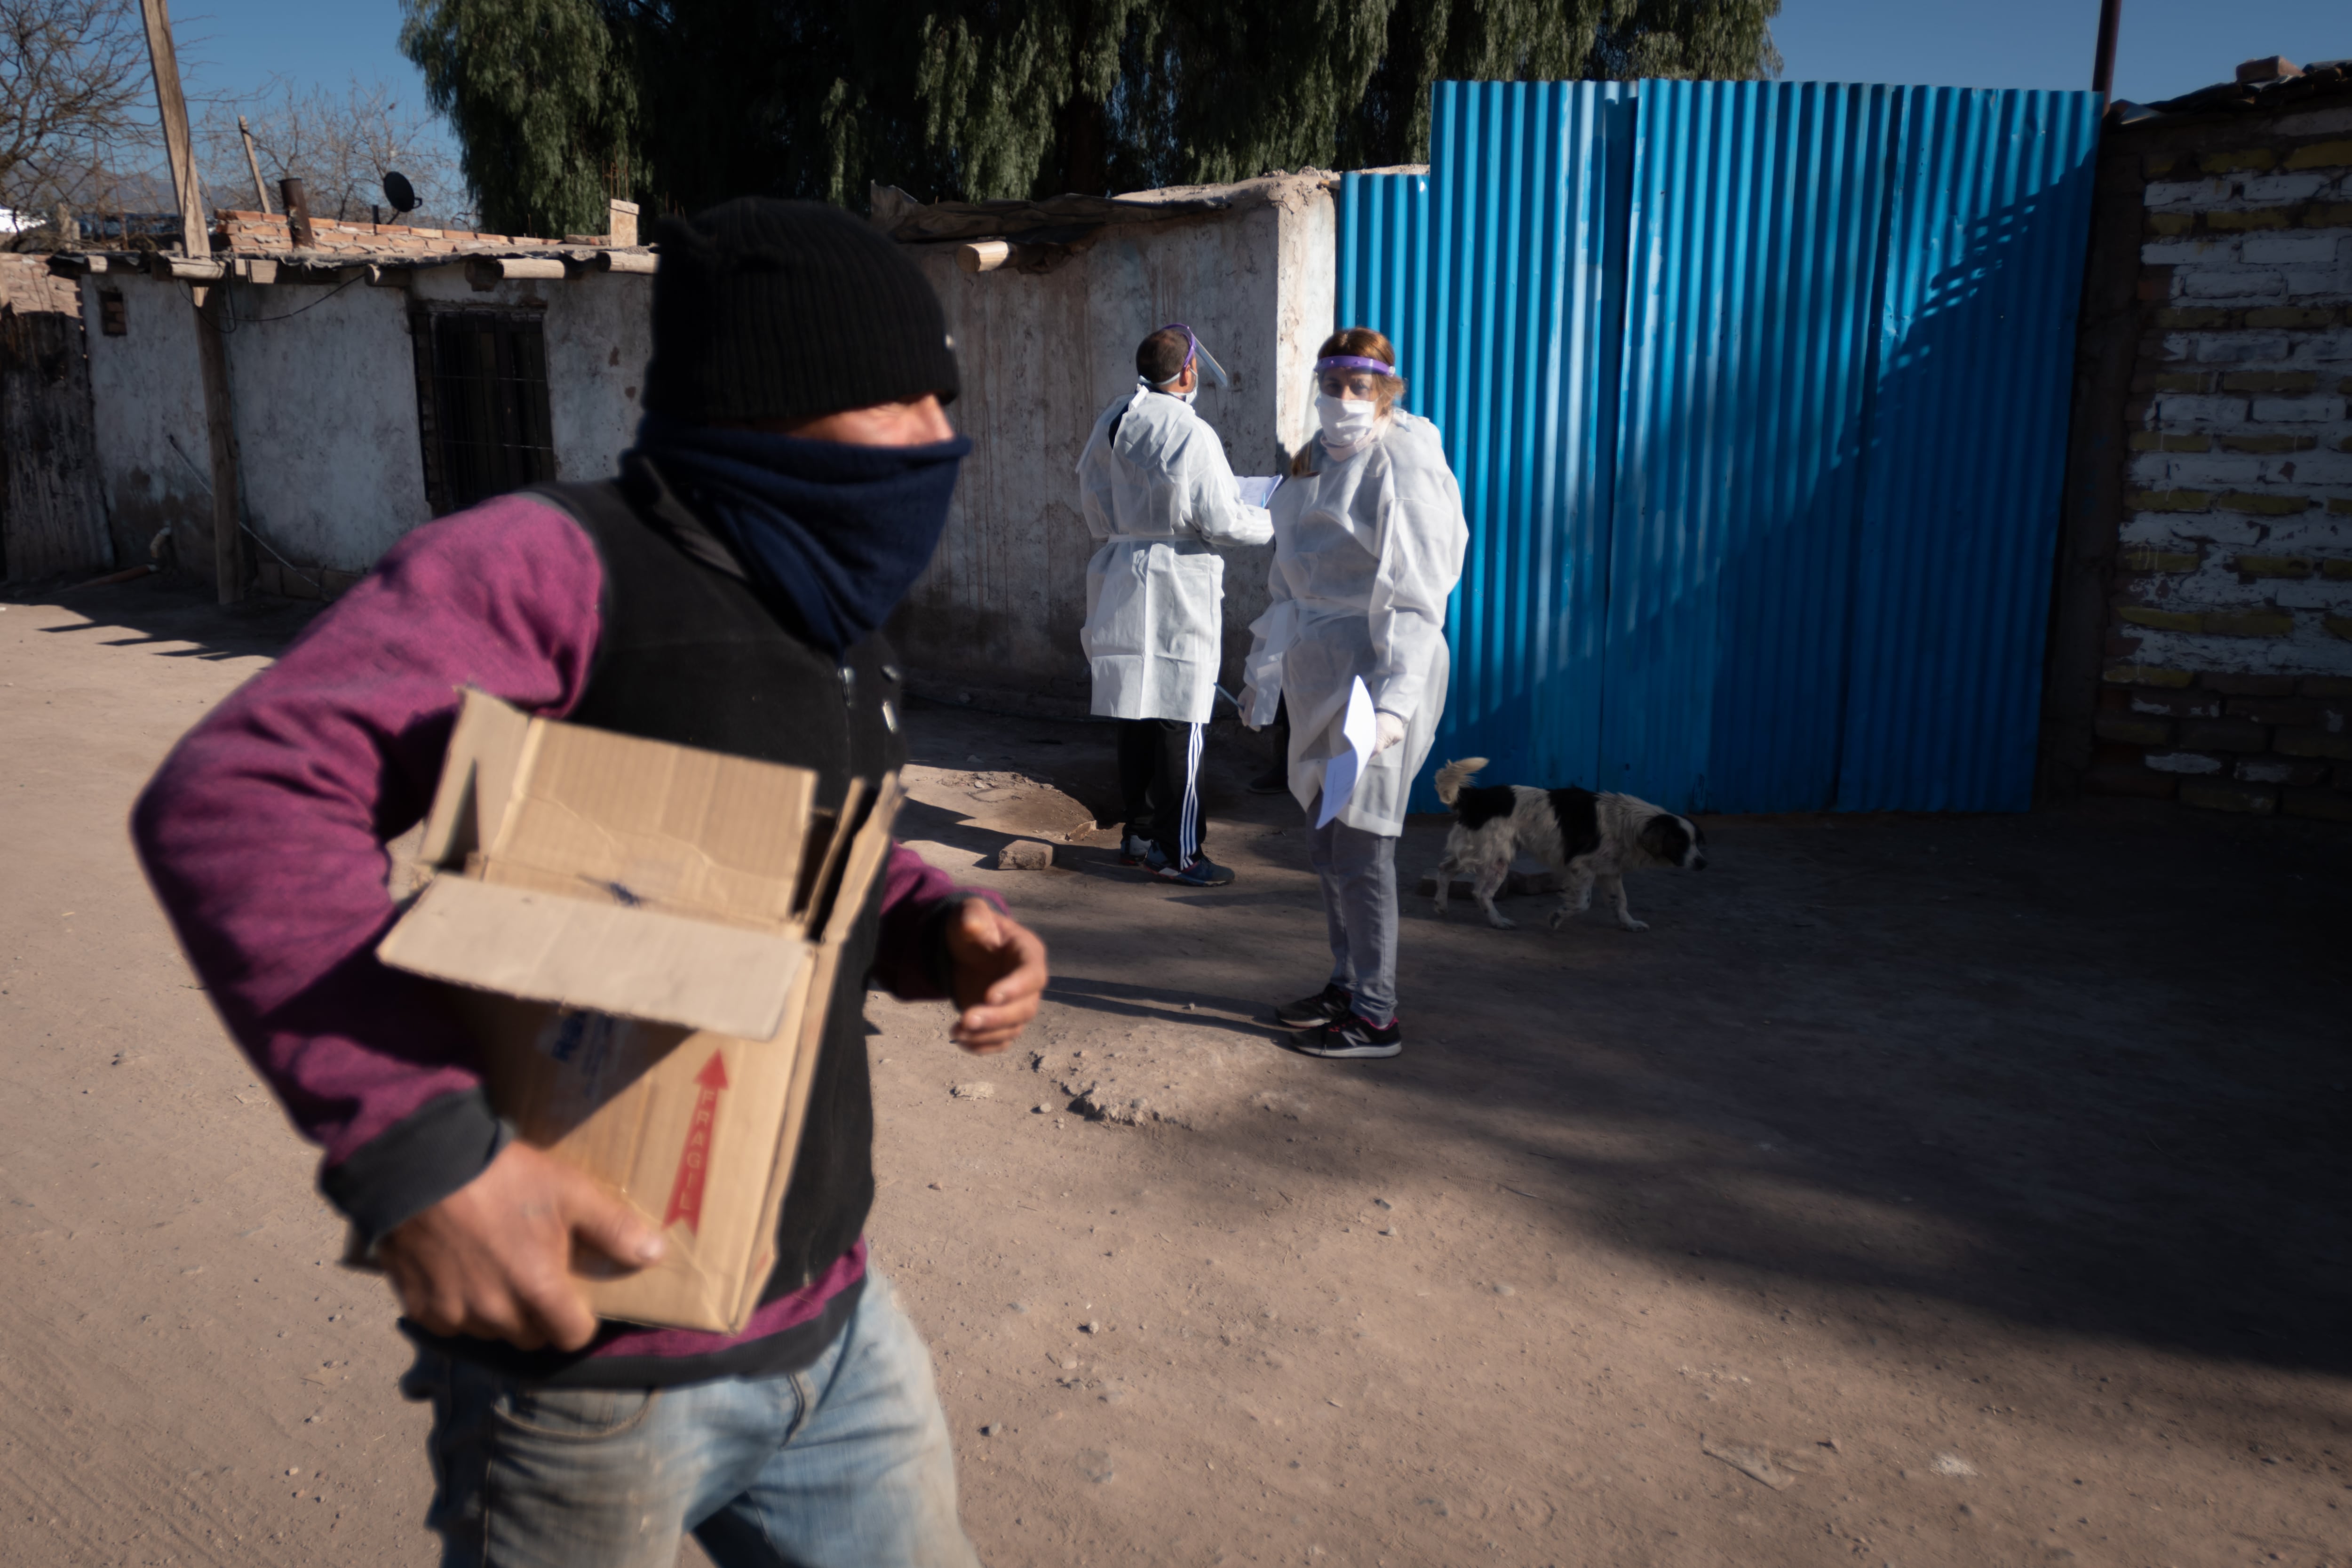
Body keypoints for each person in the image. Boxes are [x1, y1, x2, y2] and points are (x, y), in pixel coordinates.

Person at [131, 198, 1049, 1568]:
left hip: (835, 1335)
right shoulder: (554, 566)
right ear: (764, 406)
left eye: (943, 398)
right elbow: (246, 793)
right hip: (587, 1385)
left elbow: (804, 844)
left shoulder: (827, 610)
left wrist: (931, 922)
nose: (940, 438)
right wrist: (421, 1151)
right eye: (896, 400)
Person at [1241, 326, 1468, 1061]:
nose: (1341, 400)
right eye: (1331, 384)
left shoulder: (1405, 460)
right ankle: (1345, 981)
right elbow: (1286, 579)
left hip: (1379, 671)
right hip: (1319, 676)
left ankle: (1377, 1015)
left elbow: (1415, 592)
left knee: (1365, 845)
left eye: (1358, 387)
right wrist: (1263, 670)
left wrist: (1397, 700)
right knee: (1327, 841)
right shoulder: (1311, 462)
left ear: (1387, 391)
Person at [1075, 323, 1274, 887]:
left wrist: (1129, 529)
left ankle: (1137, 837)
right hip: (1177, 578)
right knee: (1180, 715)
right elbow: (1221, 519)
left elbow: (1090, 490)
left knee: (1134, 710)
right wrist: (1269, 517)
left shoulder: (1115, 418)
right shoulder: (1191, 430)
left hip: (1121, 571)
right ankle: (1180, 853)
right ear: (1187, 372)